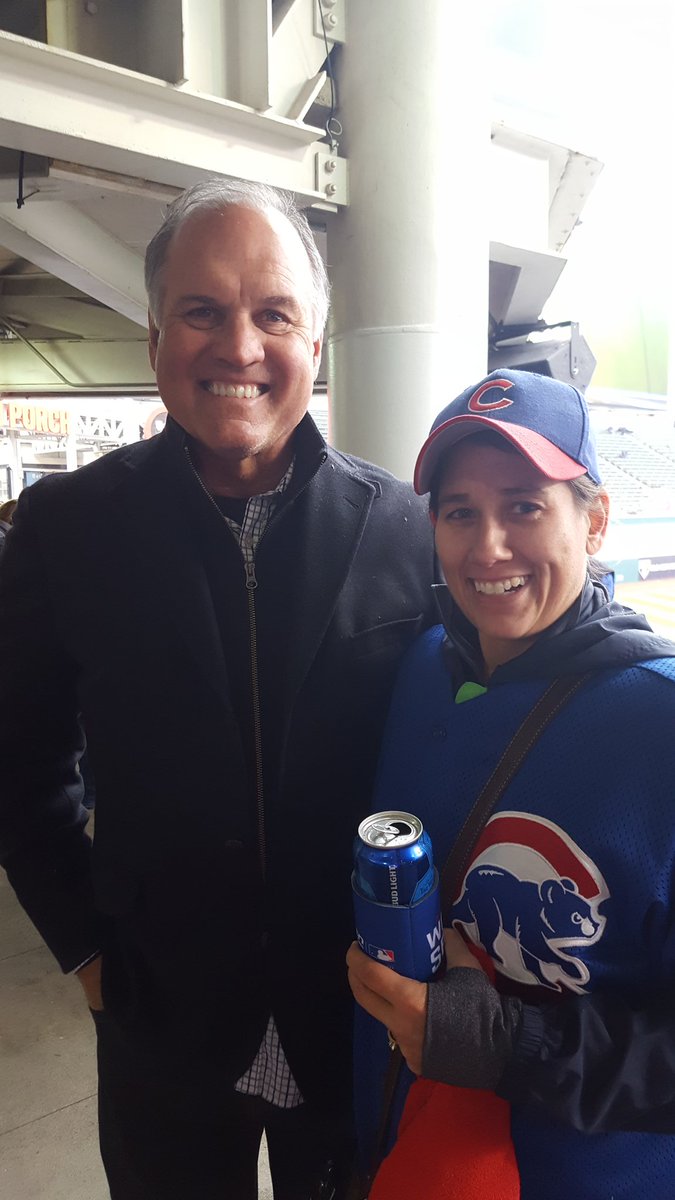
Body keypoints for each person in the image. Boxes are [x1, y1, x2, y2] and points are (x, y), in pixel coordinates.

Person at [0, 178, 436, 1200]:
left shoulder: (404, 529)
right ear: (155, 337)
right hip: (161, 1024)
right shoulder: (66, 531)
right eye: (202, 311)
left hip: (352, 1023)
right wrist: (87, 950)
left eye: (273, 314)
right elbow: (19, 759)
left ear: (315, 345)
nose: (239, 347)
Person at [347, 368, 675, 1200]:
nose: (486, 547)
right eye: (459, 512)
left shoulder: (657, 725)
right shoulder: (423, 666)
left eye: (524, 505)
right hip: (404, 1146)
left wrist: (501, 1043)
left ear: (593, 519)